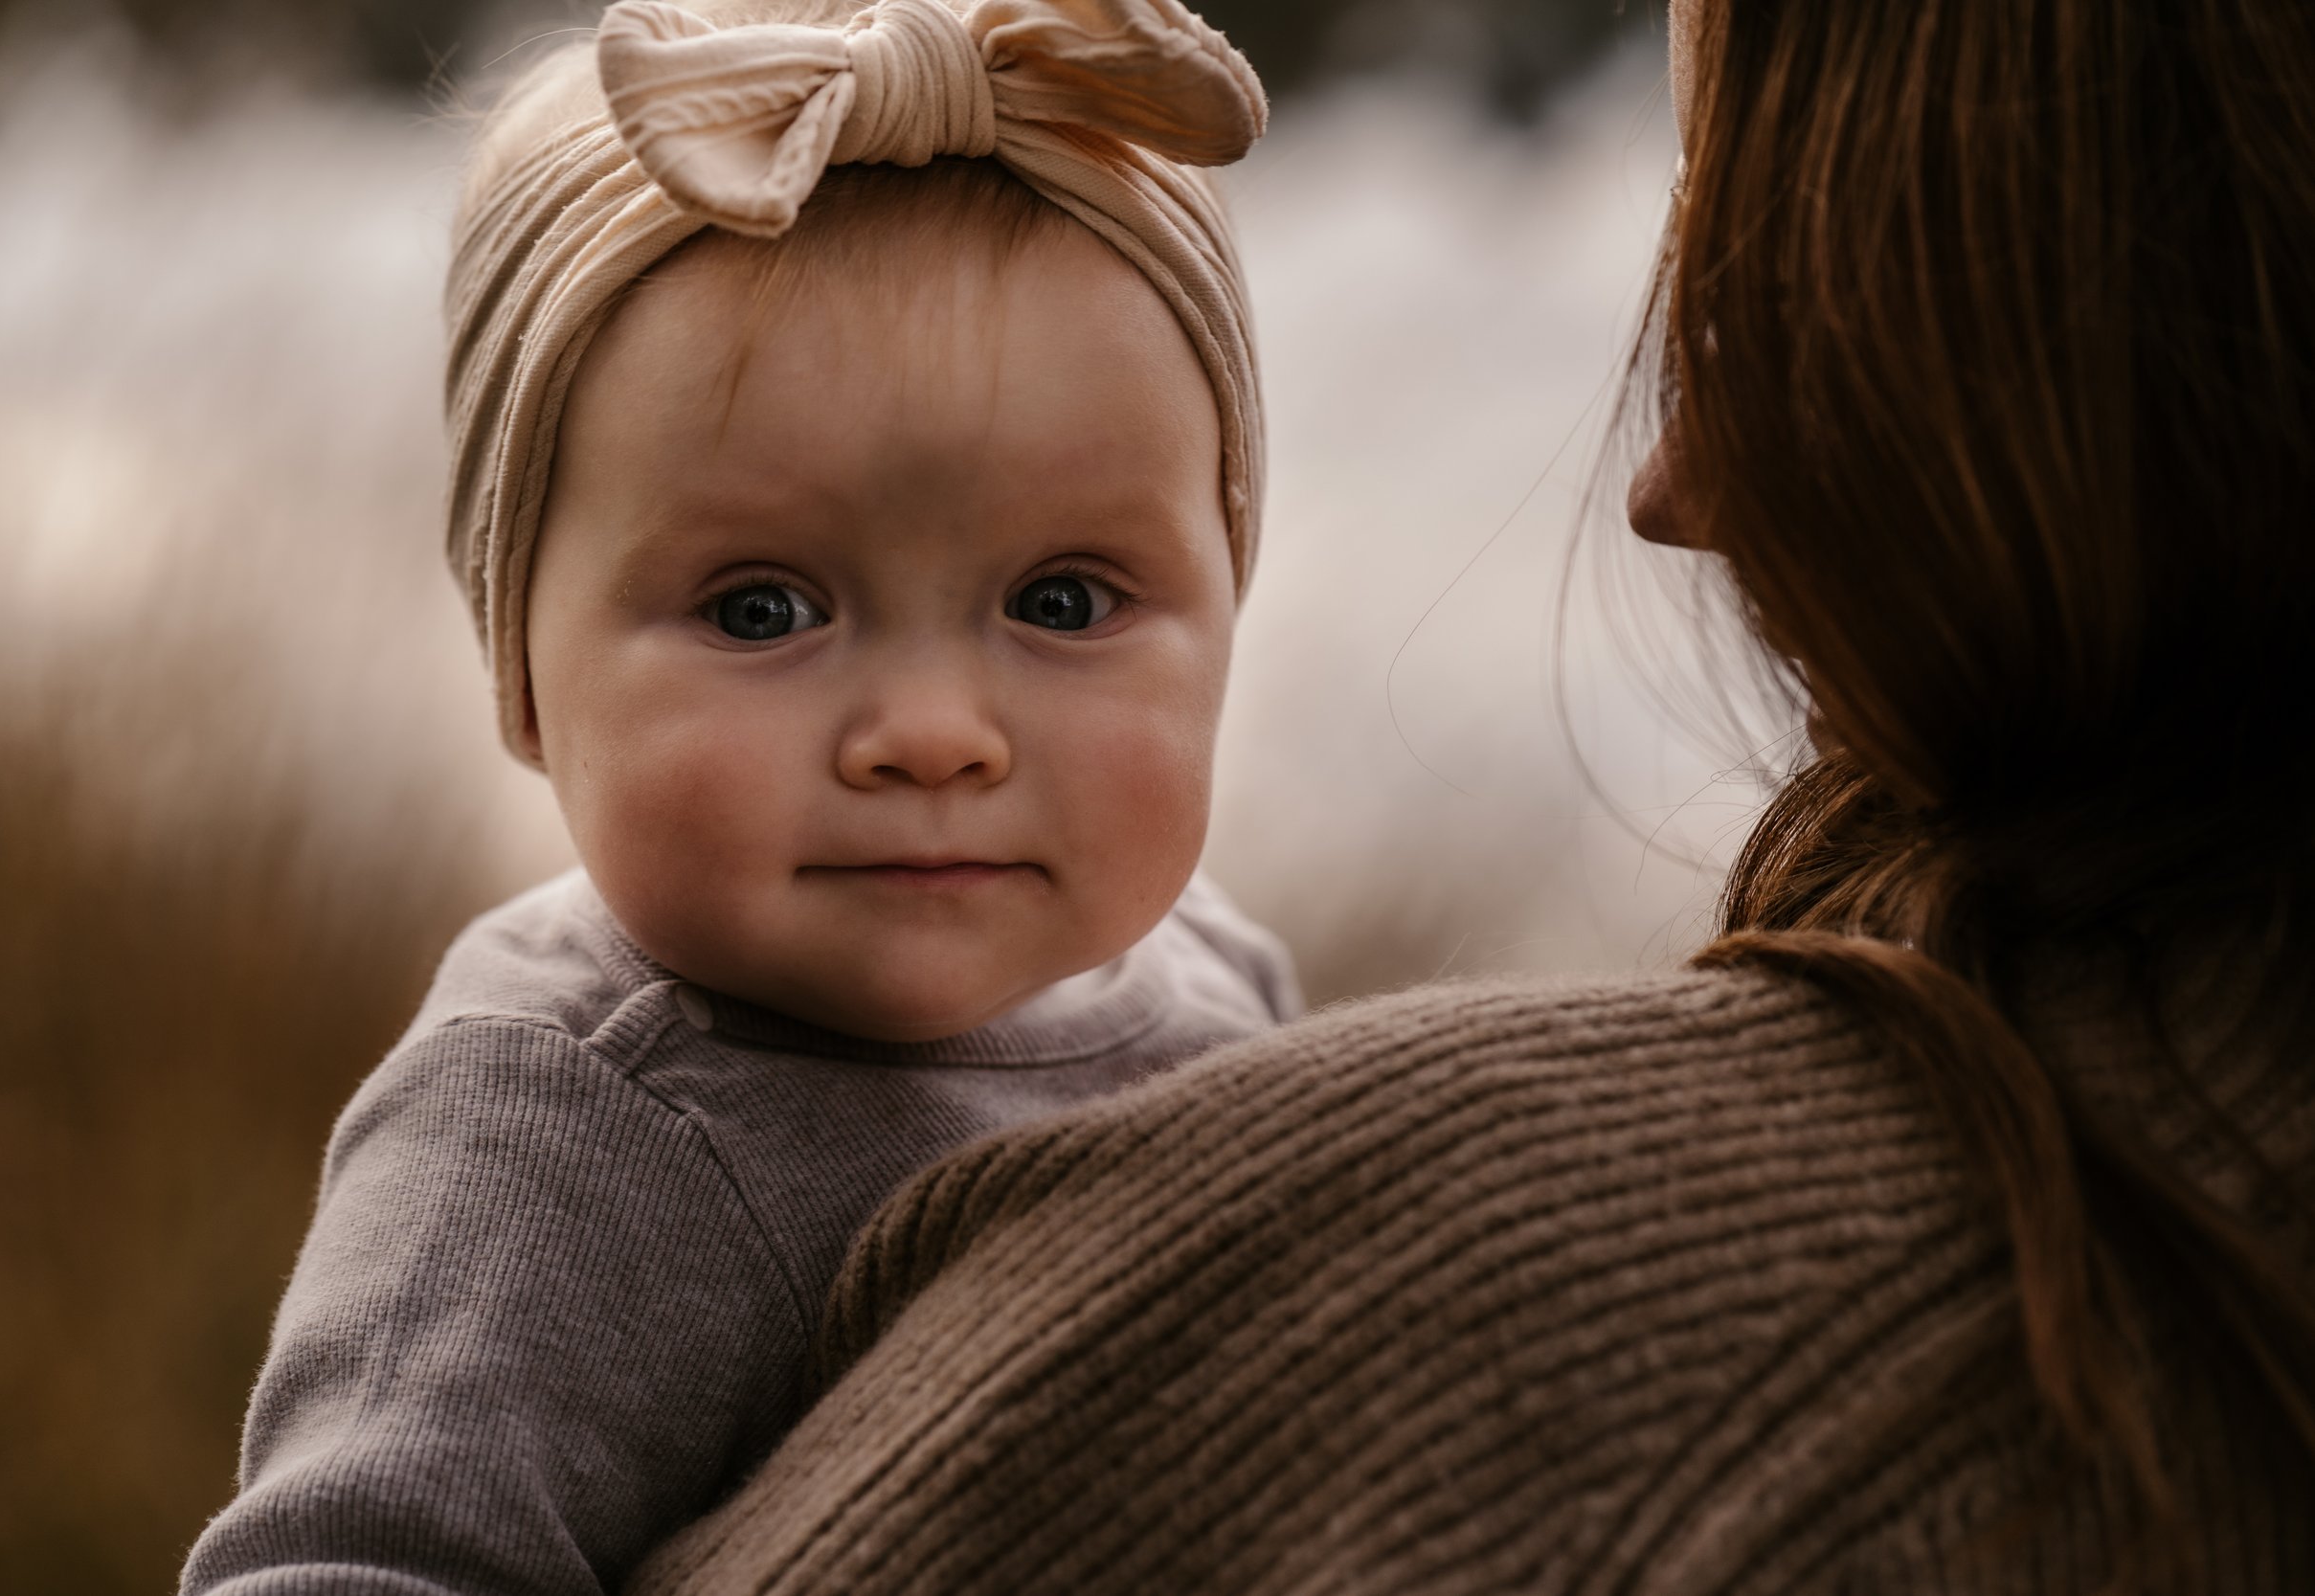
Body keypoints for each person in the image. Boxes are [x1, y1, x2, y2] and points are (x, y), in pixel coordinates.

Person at [624, 0, 2315, 1590]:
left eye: (1760, 270)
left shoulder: (1439, 1284)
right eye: (758, 609)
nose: (1673, 483)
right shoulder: (553, 1130)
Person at [178, 2, 1298, 1592]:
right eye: (762, 610)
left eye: (1063, 601)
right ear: (523, 675)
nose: (931, 736)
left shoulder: (1220, 978)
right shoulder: (561, 1133)